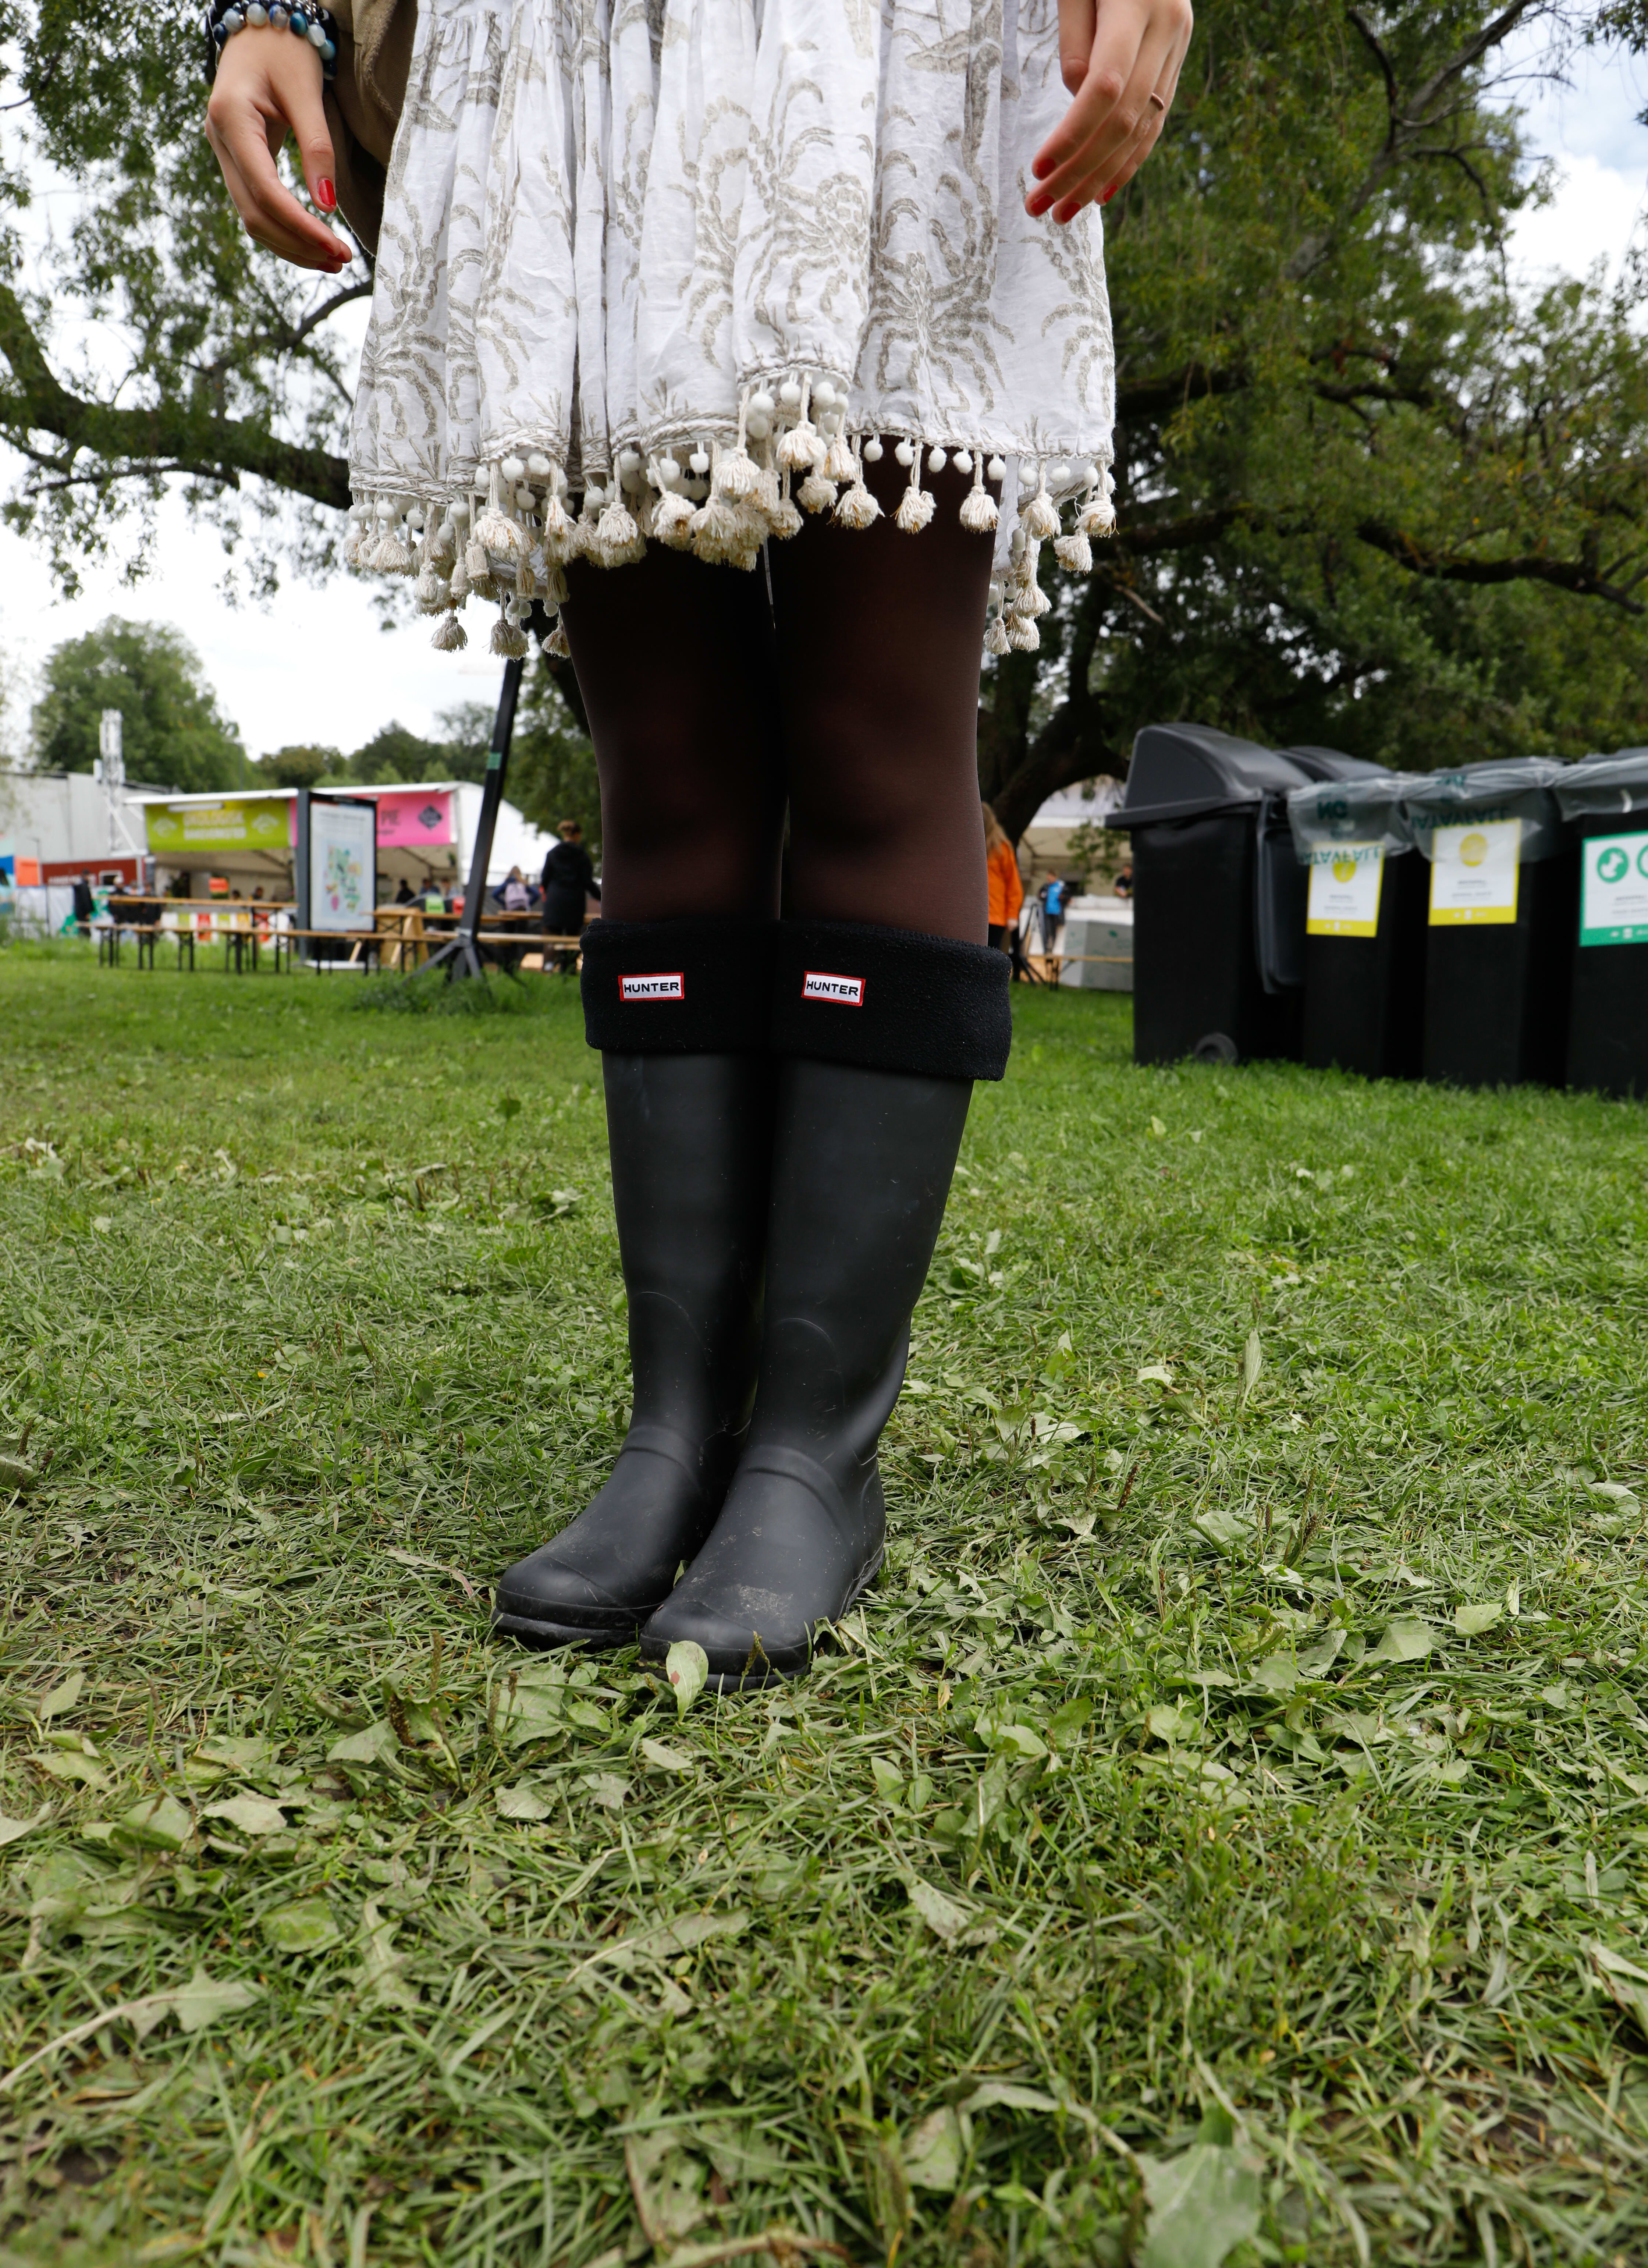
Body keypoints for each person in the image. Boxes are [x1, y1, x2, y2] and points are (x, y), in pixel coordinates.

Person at [207, 0, 1189, 1688]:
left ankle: (812, 1454)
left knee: (873, 733)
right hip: (572, 55)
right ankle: (677, 1427)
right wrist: (272, 13)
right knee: (663, 769)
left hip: (873, 46)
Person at [541, 823, 596, 974]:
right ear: (577, 835)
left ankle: (548, 966)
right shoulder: (582, 856)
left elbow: (545, 879)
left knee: (552, 934)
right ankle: (570, 968)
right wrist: (601, 898)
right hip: (575, 901)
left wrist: (548, 892)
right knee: (574, 935)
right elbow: (588, 882)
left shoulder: (553, 853)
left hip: (555, 900)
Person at [984, 807, 1025, 974]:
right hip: (971, 914)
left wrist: (1012, 915)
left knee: (989, 960)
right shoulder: (966, 845)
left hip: (994, 916)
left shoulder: (1002, 847)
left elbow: (1013, 884)